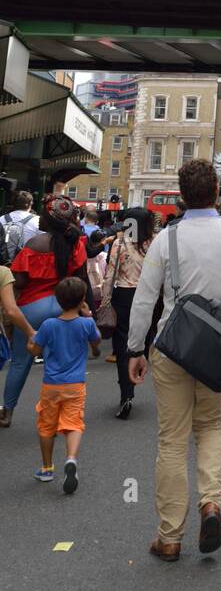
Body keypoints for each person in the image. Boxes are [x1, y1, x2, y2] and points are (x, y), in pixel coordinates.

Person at [126, 160, 221, 563]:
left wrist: (135, 349)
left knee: (171, 440)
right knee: (208, 429)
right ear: (217, 192)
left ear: (182, 197)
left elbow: (145, 298)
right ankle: (211, 505)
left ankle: (169, 537)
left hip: (172, 347)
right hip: (217, 352)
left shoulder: (166, 240)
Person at [0, 195, 88, 427]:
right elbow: (81, 280)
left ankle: (7, 411)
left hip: (32, 308)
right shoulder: (76, 245)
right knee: (57, 365)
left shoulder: (33, 246)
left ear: (49, 220)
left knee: (20, 362)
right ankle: (58, 415)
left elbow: (18, 281)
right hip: (64, 309)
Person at [28, 276, 100, 490]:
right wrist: (88, 316)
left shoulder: (48, 325)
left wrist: (28, 344)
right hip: (75, 384)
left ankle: (47, 468)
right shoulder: (86, 323)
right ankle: (70, 458)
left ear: (58, 301)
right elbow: (96, 343)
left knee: (46, 426)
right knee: (74, 424)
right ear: (82, 301)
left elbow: (36, 351)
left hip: (51, 384)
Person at [100, 207, 155, 420]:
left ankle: (126, 393)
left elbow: (109, 275)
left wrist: (105, 301)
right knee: (141, 343)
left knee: (122, 346)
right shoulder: (153, 244)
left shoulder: (119, 243)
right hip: (147, 297)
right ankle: (136, 375)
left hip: (123, 296)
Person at [1, 190, 40, 264]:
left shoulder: (1, 219)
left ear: (13, 203)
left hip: (3, 264)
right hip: (24, 265)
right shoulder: (38, 220)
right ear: (30, 203)